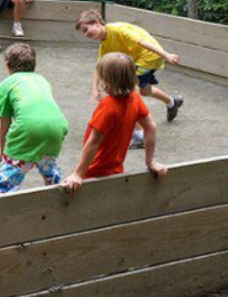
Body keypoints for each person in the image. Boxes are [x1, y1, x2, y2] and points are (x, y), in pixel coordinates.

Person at [75, 9, 183, 148]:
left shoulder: (117, 30)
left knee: (127, 91)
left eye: (86, 29)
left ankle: (139, 135)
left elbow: (142, 42)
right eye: (83, 32)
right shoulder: (105, 43)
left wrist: (166, 54)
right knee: (144, 90)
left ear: (96, 23)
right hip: (138, 60)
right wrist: (95, 89)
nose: (86, 34)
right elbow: (99, 66)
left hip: (148, 57)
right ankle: (171, 103)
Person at [62, 52, 167, 195]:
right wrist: (150, 162)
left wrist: (78, 174)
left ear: (107, 81)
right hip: (116, 169)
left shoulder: (108, 105)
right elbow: (150, 126)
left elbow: (93, 142)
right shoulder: (135, 98)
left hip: (94, 170)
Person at [0, 43, 69, 193]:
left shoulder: (6, 84)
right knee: (48, 167)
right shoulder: (42, 80)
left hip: (28, 131)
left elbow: (4, 127)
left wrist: (4, 153)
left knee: (7, 182)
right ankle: (57, 192)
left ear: (7, 65)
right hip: (56, 128)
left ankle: (3, 199)